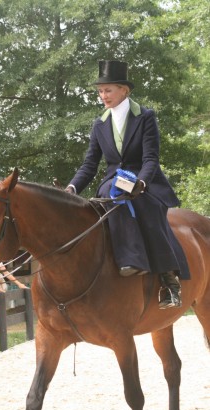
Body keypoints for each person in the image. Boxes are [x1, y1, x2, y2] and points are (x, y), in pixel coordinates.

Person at [65, 60, 190, 309]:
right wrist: (72, 188)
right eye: (100, 91)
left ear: (124, 90)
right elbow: (90, 164)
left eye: (108, 90)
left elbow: (151, 158)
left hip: (145, 180)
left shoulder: (145, 116)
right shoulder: (99, 124)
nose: (103, 96)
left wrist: (142, 182)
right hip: (112, 181)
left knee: (149, 209)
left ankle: (169, 281)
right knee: (102, 205)